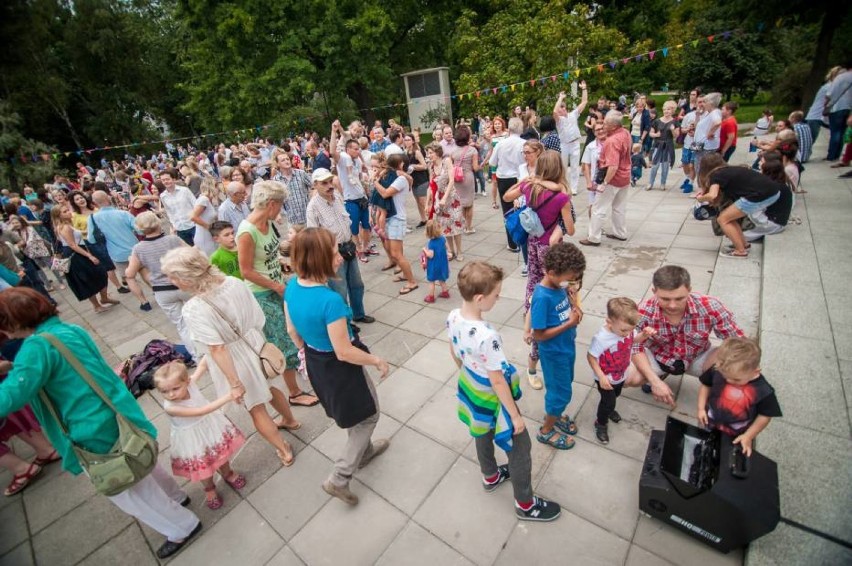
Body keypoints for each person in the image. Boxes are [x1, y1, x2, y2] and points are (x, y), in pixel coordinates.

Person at [0, 288, 202, 559]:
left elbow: (10, 396)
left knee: (125, 487)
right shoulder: (65, 330)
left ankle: (181, 526)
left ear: (14, 321)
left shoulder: (35, 347)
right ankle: (176, 498)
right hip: (114, 412)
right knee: (141, 463)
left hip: (90, 428)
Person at [160, 247, 299, 466]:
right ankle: (290, 420)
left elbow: (217, 348)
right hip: (255, 343)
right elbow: (257, 317)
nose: (171, 281)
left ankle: (284, 450)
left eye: (173, 276)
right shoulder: (234, 283)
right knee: (270, 389)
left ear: (186, 279)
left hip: (234, 359)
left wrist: (234, 383)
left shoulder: (193, 309)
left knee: (255, 406)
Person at [447, 261, 561, 522]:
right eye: (496, 295)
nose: (498, 299)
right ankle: (525, 504)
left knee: (481, 429)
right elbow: (498, 381)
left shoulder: (453, 315)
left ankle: (490, 475)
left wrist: (466, 372)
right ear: (479, 298)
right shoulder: (488, 336)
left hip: (471, 387)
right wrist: (516, 417)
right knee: (520, 447)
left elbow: (453, 348)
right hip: (492, 395)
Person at [284, 228, 390, 506]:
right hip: (339, 367)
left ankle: (364, 453)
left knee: (351, 413)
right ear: (319, 258)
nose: (341, 256)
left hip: (316, 362)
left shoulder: (292, 285)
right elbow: (344, 351)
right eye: (334, 252)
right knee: (368, 415)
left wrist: (310, 348)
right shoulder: (330, 301)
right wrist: (376, 360)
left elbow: (292, 330)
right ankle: (339, 478)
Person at [235, 180, 318, 407]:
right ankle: (294, 393)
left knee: (294, 329)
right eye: (280, 204)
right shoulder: (247, 232)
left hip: (277, 285)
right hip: (263, 295)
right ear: (271, 204)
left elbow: (268, 256)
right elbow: (246, 271)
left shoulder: (269, 224)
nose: (281, 209)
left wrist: (282, 265)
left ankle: (299, 372)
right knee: (284, 340)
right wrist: (276, 286)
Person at [624, 265, 745, 406]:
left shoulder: (711, 306)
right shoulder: (643, 311)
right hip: (658, 356)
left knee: (736, 360)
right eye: (665, 299)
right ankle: (657, 375)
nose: (673, 305)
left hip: (697, 357)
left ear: (689, 290)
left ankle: (716, 392)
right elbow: (633, 344)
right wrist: (654, 381)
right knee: (627, 378)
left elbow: (739, 342)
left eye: (679, 298)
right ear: (654, 291)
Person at [154, 360, 246, 510]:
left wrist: (208, 350)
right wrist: (229, 396)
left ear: (187, 381)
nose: (170, 394)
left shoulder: (191, 384)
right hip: (192, 439)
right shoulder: (171, 407)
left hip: (209, 428)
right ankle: (209, 488)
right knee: (204, 466)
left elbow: (202, 366)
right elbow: (202, 411)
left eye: (175, 388)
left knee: (220, 454)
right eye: (164, 391)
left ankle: (228, 473)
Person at [530, 243, 585, 450]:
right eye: (569, 277)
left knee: (565, 383)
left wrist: (574, 306)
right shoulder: (542, 297)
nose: (571, 282)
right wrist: (568, 324)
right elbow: (539, 334)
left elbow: (567, 311)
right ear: (552, 273)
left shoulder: (558, 287)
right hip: (554, 354)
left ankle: (556, 414)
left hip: (566, 348)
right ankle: (546, 430)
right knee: (559, 392)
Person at [305, 168, 375, 323]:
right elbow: (314, 237)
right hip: (332, 254)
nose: (330, 185)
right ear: (315, 185)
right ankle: (345, 323)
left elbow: (346, 222)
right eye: (324, 183)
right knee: (339, 291)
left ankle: (358, 314)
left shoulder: (336, 195)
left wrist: (355, 244)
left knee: (357, 285)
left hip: (348, 246)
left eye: (330, 181)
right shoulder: (313, 207)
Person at [124, 211, 195, 357]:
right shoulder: (172, 240)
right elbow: (193, 254)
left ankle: (197, 356)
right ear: (157, 223)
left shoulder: (139, 248)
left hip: (162, 290)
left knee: (182, 325)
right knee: (199, 316)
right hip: (184, 283)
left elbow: (130, 274)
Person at [587, 298, 656, 445]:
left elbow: (633, 340)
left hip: (621, 374)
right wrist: (601, 377)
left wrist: (643, 335)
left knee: (616, 394)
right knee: (607, 402)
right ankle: (600, 422)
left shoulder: (627, 329)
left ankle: (610, 409)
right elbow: (591, 357)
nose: (627, 333)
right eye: (624, 330)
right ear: (609, 322)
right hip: (606, 378)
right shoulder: (601, 339)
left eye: (631, 329)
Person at [697, 337, 781, 456]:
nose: (728, 380)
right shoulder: (719, 369)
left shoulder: (763, 391)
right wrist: (701, 408)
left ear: (755, 372)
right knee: (705, 445)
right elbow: (706, 385)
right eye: (725, 376)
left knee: (726, 456)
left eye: (736, 379)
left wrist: (748, 436)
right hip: (709, 422)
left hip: (736, 434)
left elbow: (765, 416)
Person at [696, 153, 781, 259]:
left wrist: (700, 198)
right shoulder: (728, 170)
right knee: (728, 218)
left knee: (722, 219)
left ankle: (740, 251)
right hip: (772, 192)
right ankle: (744, 245)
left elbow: (713, 195)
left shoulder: (716, 175)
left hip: (761, 195)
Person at [88, 190, 151, 310]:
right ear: (108, 198)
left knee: (129, 278)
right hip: (134, 248)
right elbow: (139, 229)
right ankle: (158, 292)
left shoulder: (93, 219)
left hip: (116, 253)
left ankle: (144, 302)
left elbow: (91, 239)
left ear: (95, 203)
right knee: (144, 272)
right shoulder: (123, 214)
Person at [50, 204, 116, 313]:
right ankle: (97, 305)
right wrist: (89, 255)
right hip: (76, 255)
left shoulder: (67, 224)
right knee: (89, 278)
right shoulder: (64, 227)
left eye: (68, 209)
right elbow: (72, 245)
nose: (69, 212)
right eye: (65, 211)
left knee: (98, 274)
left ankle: (104, 298)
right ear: (59, 216)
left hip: (79, 251)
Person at [580, 111, 631, 247]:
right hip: (625, 177)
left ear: (613, 126)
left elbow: (613, 166)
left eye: (606, 123)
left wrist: (604, 183)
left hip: (613, 179)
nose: (603, 126)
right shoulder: (625, 133)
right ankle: (620, 233)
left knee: (598, 208)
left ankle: (594, 237)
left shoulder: (612, 141)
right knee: (619, 207)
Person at [371, 155, 418, 295]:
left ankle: (412, 282)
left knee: (396, 254)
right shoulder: (399, 177)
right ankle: (405, 275)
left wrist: (375, 181)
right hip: (393, 218)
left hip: (397, 219)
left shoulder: (401, 179)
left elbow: (385, 194)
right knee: (397, 252)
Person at [490, 118, 527, 251]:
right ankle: (523, 237)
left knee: (508, 211)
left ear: (509, 129)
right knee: (523, 207)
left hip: (505, 179)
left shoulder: (501, 144)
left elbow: (492, 163)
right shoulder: (525, 143)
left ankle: (512, 242)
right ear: (521, 129)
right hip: (521, 178)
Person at [426, 143, 464, 261]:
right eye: (428, 153)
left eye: (431, 152)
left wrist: (445, 197)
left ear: (437, 153)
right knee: (445, 226)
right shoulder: (431, 166)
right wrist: (427, 203)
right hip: (439, 199)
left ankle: (459, 251)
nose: (429, 155)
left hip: (452, 198)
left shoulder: (446, 161)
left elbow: (452, 180)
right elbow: (430, 185)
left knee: (456, 224)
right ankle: (450, 251)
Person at [553, 82, 589, 195]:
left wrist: (584, 89)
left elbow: (584, 102)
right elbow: (554, 111)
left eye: (561, 109)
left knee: (574, 166)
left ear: (565, 109)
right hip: (564, 144)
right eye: (558, 110)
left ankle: (574, 188)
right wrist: (560, 98)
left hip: (575, 143)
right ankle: (564, 186)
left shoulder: (573, 114)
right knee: (563, 167)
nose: (559, 112)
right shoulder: (558, 120)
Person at [158, 168, 198, 246]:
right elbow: (169, 212)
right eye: (163, 180)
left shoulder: (184, 191)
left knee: (201, 247)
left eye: (167, 179)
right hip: (179, 228)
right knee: (189, 250)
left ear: (173, 179)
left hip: (193, 224)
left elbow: (195, 205)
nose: (166, 181)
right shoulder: (163, 196)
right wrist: (173, 224)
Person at [272, 152, 312, 228]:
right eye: (283, 160)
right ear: (278, 164)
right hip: (292, 221)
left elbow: (314, 186)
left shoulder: (301, 174)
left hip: (308, 218)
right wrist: (277, 214)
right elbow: (276, 199)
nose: (286, 161)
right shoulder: (276, 180)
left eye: (287, 159)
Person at [646, 100, 680, 189]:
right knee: (654, 166)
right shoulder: (657, 121)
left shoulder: (675, 122)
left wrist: (672, 130)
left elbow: (676, 136)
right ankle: (650, 183)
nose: (666, 111)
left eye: (668, 109)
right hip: (657, 145)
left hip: (668, 146)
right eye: (665, 109)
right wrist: (656, 135)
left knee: (665, 167)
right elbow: (650, 133)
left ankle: (663, 183)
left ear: (672, 110)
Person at [453, 125, 480, 235]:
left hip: (456, 178)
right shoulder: (472, 150)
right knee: (469, 204)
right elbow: (475, 168)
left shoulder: (453, 151)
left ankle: (462, 225)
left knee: (461, 203)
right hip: (468, 178)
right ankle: (469, 227)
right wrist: (481, 165)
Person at [805, 66, 842, 143]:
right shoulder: (831, 87)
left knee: (808, 144)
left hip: (814, 117)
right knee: (808, 144)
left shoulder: (828, 86)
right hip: (816, 117)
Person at [825, 63, 852, 161]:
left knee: (835, 132)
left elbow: (830, 93)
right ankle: (838, 154)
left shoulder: (841, 77)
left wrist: (826, 105)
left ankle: (831, 155)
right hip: (848, 108)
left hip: (837, 107)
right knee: (842, 132)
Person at [693, 93, 723, 181]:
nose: (703, 104)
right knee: (698, 166)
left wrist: (710, 133)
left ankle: (702, 189)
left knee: (701, 168)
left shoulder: (714, 112)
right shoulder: (708, 113)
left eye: (705, 102)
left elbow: (717, 122)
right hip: (699, 145)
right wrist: (697, 115)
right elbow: (697, 126)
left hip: (706, 146)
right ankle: (702, 188)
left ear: (711, 103)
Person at [188, 176, 220, 257]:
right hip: (204, 236)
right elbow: (193, 216)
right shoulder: (204, 199)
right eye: (216, 186)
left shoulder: (208, 200)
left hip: (209, 235)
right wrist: (209, 227)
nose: (218, 189)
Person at [422, 219, 450, 304]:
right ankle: (445, 292)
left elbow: (431, 255)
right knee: (442, 279)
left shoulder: (431, 243)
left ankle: (431, 297)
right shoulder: (443, 238)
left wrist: (424, 250)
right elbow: (446, 247)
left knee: (431, 281)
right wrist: (447, 254)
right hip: (442, 263)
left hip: (434, 265)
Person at [581, 124, 606, 218]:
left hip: (609, 180)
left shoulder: (611, 143)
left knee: (604, 206)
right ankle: (592, 227)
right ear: (594, 133)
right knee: (593, 204)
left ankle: (599, 227)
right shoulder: (590, 146)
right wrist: (588, 182)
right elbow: (586, 165)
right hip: (596, 180)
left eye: (602, 128)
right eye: (597, 130)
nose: (600, 131)